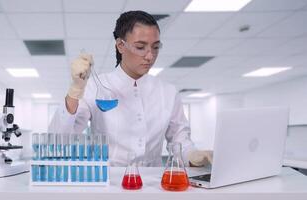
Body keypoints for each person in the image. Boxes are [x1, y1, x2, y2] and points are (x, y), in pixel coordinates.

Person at [49, 10, 212, 167]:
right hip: (109, 182)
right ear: (120, 45)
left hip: (152, 184)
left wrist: (192, 155)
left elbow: (180, 140)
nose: (150, 56)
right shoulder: (94, 87)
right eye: (140, 47)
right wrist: (75, 91)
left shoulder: (168, 92)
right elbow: (58, 142)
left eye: (155, 47)